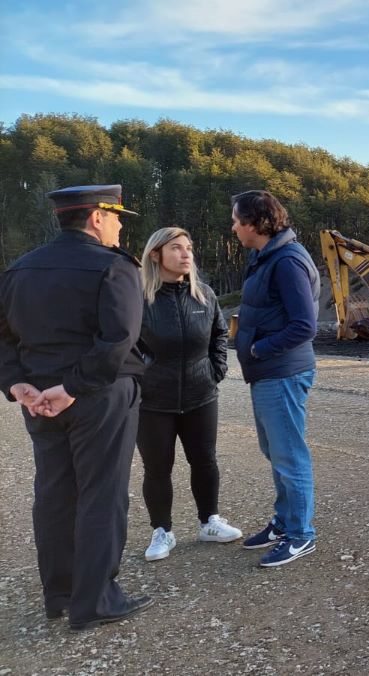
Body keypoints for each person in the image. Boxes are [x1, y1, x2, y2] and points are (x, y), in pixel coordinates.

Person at [0, 185, 154, 630]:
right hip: (98, 395)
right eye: (117, 217)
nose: (121, 225)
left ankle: (61, 594)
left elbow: (3, 336)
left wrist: (18, 386)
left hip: (40, 402)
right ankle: (96, 600)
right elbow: (118, 338)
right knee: (101, 494)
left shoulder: (19, 270)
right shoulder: (114, 267)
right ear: (96, 217)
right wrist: (72, 387)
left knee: (54, 493)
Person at [137, 227, 243, 561]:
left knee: (205, 460)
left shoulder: (205, 295)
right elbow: (123, 344)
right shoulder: (138, 299)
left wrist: (217, 369)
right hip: (153, 401)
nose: (186, 255)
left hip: (201, 394)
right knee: (157, 468)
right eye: (177, 248)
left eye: (189, 248)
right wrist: (139, 379)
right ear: (156, 255)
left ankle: (209, 521)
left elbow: (220, 334)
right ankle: (162, 531)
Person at [230, 190, 320, 567]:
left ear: (254, 223)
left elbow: (305, 326)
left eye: (236, 220)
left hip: (281, 371)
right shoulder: (264, 256)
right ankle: (284, 523)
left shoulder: (287, 261)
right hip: (267, 373)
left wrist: (258, 349)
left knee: (289, 456)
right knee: (275, 452)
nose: (232, 227)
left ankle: (301, 535)